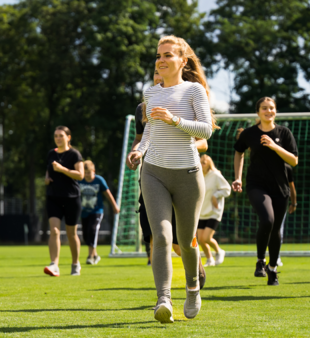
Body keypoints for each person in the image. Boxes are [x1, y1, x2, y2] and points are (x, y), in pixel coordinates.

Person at [126, 35, 216, 323]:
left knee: (186, 241)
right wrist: (139, 150)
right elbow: (150, 132)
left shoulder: (194, 91)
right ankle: (163, 299)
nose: (161, 60)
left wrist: (175, 120)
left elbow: (206, 131)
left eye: (167, 55)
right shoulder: (150, 93)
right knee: (162, 238)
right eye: (158, 55)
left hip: (188, 175)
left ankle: (192, 289)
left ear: (182, 61)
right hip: (153, 173)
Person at [128, 68, 208, 265]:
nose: (158, 76)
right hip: (153, 174)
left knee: (181, 244)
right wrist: (137, 151)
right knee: (158, 236)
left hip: (182, 172)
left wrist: (176, 128)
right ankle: (163, 293)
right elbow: (143, 137)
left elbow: (203, 142)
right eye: (155, 72)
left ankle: (195, 270)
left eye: (161, 71)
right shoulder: (143, 106)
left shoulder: (188, 97)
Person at [232, 97, 298, 286]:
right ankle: (261, 261)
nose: (268, 111)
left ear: (275, 111)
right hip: (256, 185)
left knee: (276, 229)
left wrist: (274, 146)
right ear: (258, 112)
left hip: (280, 188)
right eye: (264, 108)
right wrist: (237, 177)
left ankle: (272, 269)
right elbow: (239, 151)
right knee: (267, 219)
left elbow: (294, 160)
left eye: (272, 108)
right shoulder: (249, 133)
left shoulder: (284, 133)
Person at [44, 126, 85, 276]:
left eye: (61, 135)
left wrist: (62, 169)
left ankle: (75, 264)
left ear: (68, 137)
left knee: (71, 234)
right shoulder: (51, 153)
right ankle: (54, 264)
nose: (58, 138)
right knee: (54, 230)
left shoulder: (74, 154)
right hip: (53, 197)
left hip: (71, 198)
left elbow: (80, 175)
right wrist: (47, 178)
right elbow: (48, 170)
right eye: (56, 136)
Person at [78, 160, 120, 265]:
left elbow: (108, 194)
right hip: (84, 211)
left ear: (94, 171)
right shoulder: (80, 180)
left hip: (97, 211)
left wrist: (114, 206)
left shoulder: (99, 180)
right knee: (86, 235)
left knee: (93, 230)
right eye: (85, 172)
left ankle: (90, 256)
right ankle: (95, 255)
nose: (87, 175)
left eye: (89, 172)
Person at [198, 154, 230, 267]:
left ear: (209, 164)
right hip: (201, 212)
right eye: (200, 162)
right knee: (200, 239)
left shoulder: (215, 175)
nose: (201, 165)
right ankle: (209, 259)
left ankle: (219, 251)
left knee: (206, 238)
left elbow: (227, 189)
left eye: (204, 163)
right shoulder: (198, 175)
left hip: (214, 212)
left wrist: (215, 195)